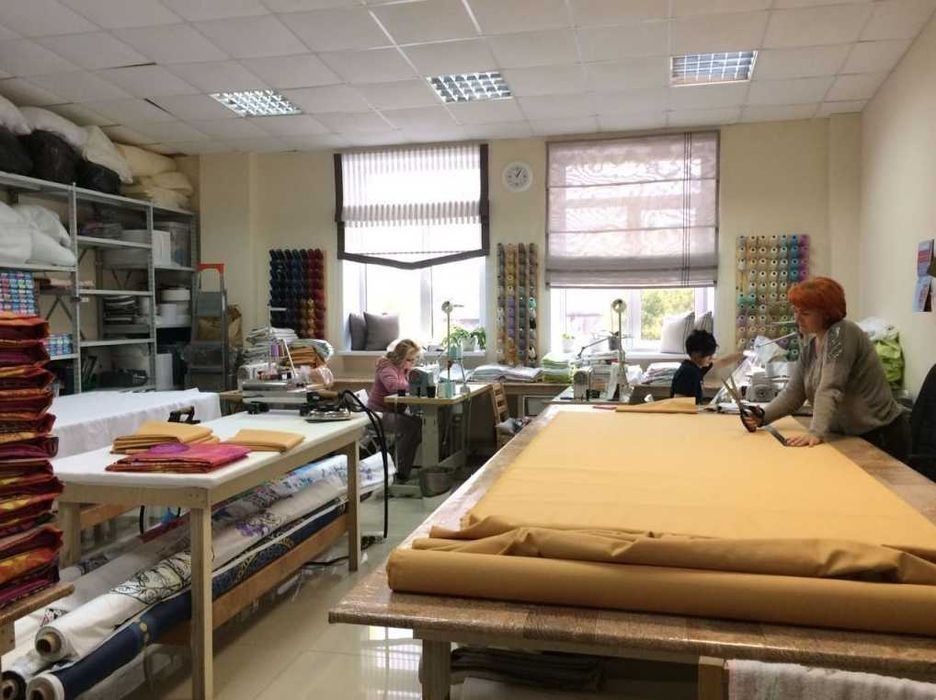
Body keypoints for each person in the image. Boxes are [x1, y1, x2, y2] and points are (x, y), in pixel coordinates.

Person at [742, 277, 910, 460]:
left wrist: (815, 432)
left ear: (827, 314)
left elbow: (830, 386)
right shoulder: (811, 348)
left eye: (805, 313)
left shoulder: (842, 332)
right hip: (851, 436)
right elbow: (793, 393)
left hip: (880, 437)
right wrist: (762, 416)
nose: (797, 318)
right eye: (796, 311)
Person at [368, 339, 422, 482]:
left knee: (419, 424)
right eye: (409, 360)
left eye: (414, 360)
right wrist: (415, 386)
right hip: (377, 413)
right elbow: (393, 386)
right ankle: (400, 471)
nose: (412, 363)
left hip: (392, 411)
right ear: (400, 357)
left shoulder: (404, 369)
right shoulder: (386, 367)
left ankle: (401, 467)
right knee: (411, 428)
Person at [671, 330, 739, 404]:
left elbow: (723, 361)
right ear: (696, 354)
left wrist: (744, 353)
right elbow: (678, 403)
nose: (711, 358)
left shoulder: (697, 367)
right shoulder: (687, 373)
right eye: (709, 356)